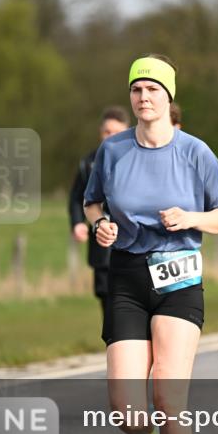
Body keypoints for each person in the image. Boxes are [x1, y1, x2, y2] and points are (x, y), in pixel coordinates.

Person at [83, 54, 218, 434]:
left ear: (169, 97)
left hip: (179, 278)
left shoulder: (195, 151)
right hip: (128, 277)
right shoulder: (112, 150)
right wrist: (102, 226)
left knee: (167, 394)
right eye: (137, 89)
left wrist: (191, 218)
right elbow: (92, 203)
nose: (144, 97)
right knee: (124, 408)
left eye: (153, 89)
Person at [68, 107, 129, 340]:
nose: (111, 137)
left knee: (128, 296)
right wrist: (78, 223)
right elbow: (77, 198)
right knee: (106, 295)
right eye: (106, 132)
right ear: (100, 132)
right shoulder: (88, 163)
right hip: (101, 242)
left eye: (117, 132)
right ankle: (114, 343)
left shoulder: (138, 159)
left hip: (131, 243)